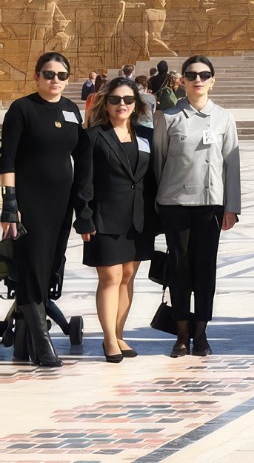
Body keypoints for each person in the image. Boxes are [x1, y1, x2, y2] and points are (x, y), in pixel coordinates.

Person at [2, 53, 88, 367]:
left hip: (60, 204)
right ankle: (42, 343)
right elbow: (7, 158)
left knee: (50, 266)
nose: (55, 80)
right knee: (32, 267)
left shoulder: (69, 110)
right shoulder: (22, 109)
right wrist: (9, 203)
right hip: (29, 203)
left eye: (61, 75)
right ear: (36, 76)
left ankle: (23, 345)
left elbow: (82, 153)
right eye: (48, 74)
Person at [151, 55, 240, 359]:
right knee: (179, 268)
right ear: (183, 81)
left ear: (212, 81)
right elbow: (158, 161)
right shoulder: (169, 116)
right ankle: (181, 334)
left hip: (210, 204)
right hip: (175, 203)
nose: (198, 80)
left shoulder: (224, 118)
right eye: (192, 75)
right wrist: (158, 206)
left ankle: (200, 333)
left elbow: (231, 164)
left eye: (204, 75)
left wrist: (232, 206)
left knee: (205, 269)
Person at [76, 77, 155, 362]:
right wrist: (83, 216)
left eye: (128, 100)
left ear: (137, 104)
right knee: (110, 277)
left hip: (137, 218)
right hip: (104, 216)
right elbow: (83, 182)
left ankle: (120, 334)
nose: (122, 104)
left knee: (128, 277)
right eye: (115, 99)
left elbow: (150, 180)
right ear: (106, 103)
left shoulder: (146, 134)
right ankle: (109, 339)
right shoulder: (94, 136)